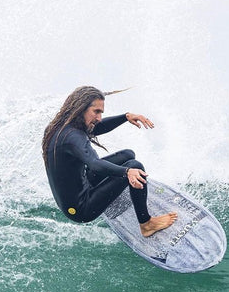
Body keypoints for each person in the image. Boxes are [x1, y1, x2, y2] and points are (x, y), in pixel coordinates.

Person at [42, 86, 177, 237]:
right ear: (81, 108)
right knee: (135, 166)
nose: (99, 118)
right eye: (96, 112)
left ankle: (116, 189)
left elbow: (98, 128)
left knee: (127, 155)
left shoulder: (63, 126)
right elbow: (94, 164)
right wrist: (127, 172)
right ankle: (146, 224)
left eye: (101, 113)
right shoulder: (73, 137)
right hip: (81, 208)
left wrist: (125, 117)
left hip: (80, 187)